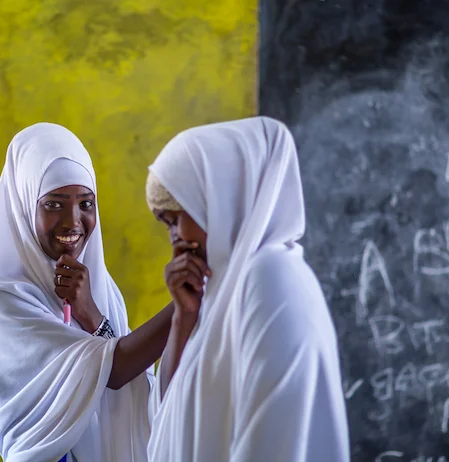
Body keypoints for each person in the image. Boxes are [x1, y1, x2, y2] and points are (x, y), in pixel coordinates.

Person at [0, 123, 184, 461]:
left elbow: (134, 384)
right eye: (54, 205)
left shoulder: (99, 287)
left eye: (86, 204)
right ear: (26, 205)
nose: (73, 221)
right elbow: (113, 372)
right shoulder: (4, 297)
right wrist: (189, 302)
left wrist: (92, 314)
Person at [145, 116, 351, 461]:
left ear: (221, 198)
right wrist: (185, 318)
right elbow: (170, 414)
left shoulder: (272, 279)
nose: (176, 237)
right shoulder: (222, 292)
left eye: (179, 217)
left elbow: (273, 442)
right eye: (167, 225)